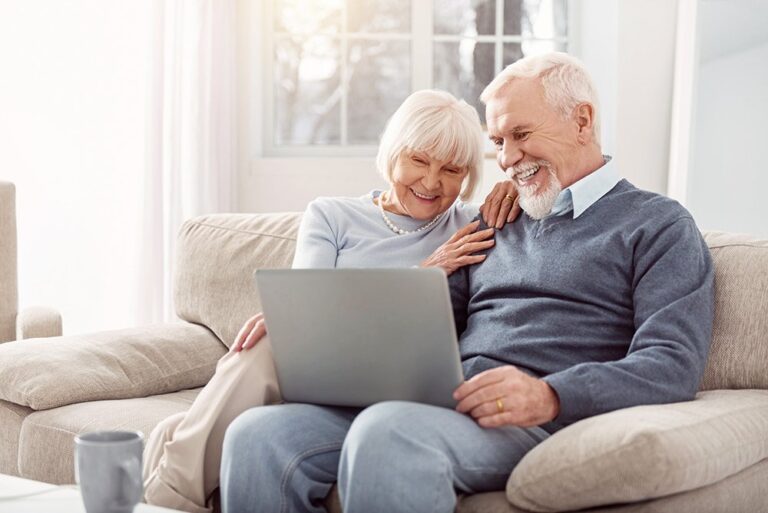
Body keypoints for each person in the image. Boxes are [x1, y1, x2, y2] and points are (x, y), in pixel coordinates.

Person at [219, 52, 715, 513]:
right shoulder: (496, 219)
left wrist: (549, 394)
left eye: (521, 134)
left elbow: (671, 363)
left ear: (582, 121)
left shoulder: (658, 225)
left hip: (535, 417)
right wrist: (325, 329)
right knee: (258, 436)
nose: (507, 158)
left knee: (390, 433)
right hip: (445, 401)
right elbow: (430, 319)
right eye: (499, 142)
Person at [142, 89, 521, 513]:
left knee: (268, 343)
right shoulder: (332, 216)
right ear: (393, 153)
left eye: (451, 169)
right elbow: (309, 312)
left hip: (409, 397)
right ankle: (171, 495)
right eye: (419, 160)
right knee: (267, 337)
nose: (432, 182)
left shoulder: (472, 224)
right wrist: (425, 274)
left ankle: (170, 475)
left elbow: (539, 210)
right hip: (323, 383)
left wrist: (514, 185)